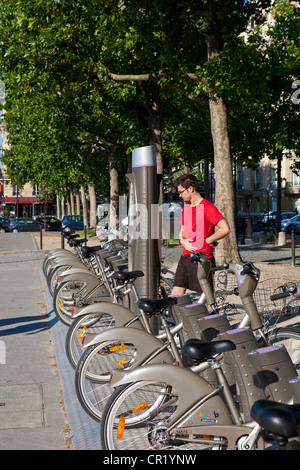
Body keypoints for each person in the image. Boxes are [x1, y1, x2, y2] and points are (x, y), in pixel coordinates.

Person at [171, 174, 230, 298]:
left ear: (191, 189)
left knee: (206, 299)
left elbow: (225, 228)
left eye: (181, 192)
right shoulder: (186, 207)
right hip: (185, 258)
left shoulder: (208, 207)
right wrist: (182, 241)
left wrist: (208, 240)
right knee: (175, 294)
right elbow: (182, 231)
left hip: (202, 260)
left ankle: (212, 317)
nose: (180, 195)